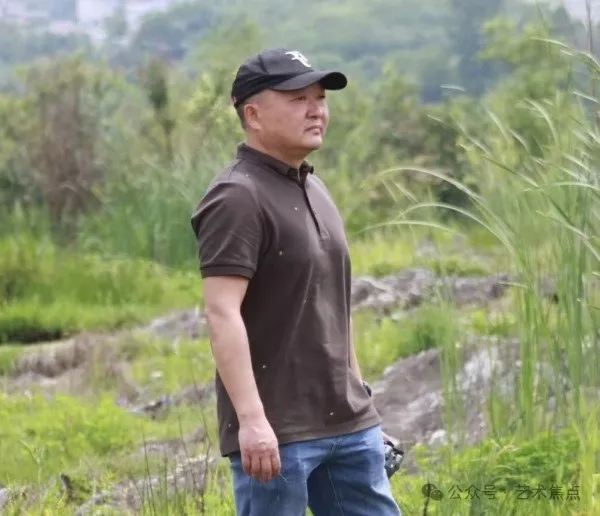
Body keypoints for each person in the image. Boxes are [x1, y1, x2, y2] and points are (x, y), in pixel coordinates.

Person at [190, 47, 402, 516]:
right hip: (278, 435)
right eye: (297, 99)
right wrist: (252, 421)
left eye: (320, 98)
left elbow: (334, 309)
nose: (316, 110)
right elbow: (222, 312)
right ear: (252, 115)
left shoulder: (314, 186)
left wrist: (362, 402)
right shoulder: (236, 196)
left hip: (349, 424)